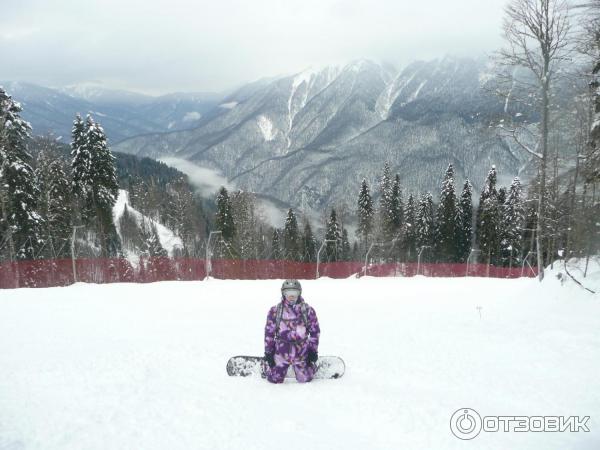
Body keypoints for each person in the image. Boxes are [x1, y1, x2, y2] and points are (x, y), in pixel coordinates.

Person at [264, 279, 320, 383]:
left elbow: (315, 332)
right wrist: (269, 352)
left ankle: (310, 367)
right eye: (288, 292)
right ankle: (268, 367)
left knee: (305, 379)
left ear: (299, 293)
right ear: (283, 293)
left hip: (301, 353)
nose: (291, 296)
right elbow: (269, 333)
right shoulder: (275, 311)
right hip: (281, 353)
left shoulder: (308, 311)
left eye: (294, 292)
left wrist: (313, 351)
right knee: (274, 379)